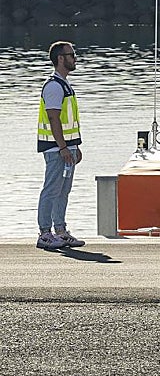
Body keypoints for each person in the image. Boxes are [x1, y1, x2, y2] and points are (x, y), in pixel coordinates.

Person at [35, 41, 85, 250]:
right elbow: (54, 118)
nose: (75, 58)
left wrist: (75, 146)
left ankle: (61, 231)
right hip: (56, 149)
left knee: (63, 191)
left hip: (66, 148)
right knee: (51, 190)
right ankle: (45, 233)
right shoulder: (54, 86)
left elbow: (68, 120)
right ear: (61, 59)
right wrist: (64, 147)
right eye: (71, 55)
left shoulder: (64, 85)